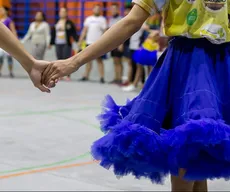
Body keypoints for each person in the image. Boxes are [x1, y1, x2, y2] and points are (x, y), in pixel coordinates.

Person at [42, 0, 230, 191]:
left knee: (197, 155)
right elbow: (131, 21)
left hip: (221, 64)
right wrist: (75, 61)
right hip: (189, 64)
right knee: (190, 148)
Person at [0, 22, 54, 92]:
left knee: (39, 57)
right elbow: (29, 34)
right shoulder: (32, 24)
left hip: (41, 43)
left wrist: (31, 64)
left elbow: (47, 35)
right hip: (34, 42)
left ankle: (12, 71)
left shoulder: (45, 25)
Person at [78, 4, 107, 84]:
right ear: (93, 10)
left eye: (98, 9)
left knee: (99, 60)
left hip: (98, 43)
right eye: (95, 9)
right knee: (87, 60)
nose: (97, 10)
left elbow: (105, 32)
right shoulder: (88, 19)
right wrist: (80, 41)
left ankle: (102, 77)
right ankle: (86, 76)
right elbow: (84, 31)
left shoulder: (102, 20)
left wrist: (105, 42)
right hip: (88, 42)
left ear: (100, 10)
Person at [50, 7, 78, 81]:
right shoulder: (57, 22)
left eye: (64, 12)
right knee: (59, 58)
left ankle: (68, 75)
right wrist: (51, 42)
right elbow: (53, 33)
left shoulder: (69, 23)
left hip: (66, 43)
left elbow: (73, 32)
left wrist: (77, 40)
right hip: (58, 43)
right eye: (61, 12)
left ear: (66, 13)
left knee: (67, 59)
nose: (62, 13)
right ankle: (60, 75)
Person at [108, 3, 123, 84]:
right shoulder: (111, 19)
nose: (113, 10)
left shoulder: (121, 19)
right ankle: (116, 78)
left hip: (118, 43)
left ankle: (120, 78)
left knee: (118, 61)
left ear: (118, 10)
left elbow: (123, 33)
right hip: (112, 44)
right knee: (114, 61)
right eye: (112, 9)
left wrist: (121, 44)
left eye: (114, 9)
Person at [0, 6, 17, 78]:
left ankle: (10, 72)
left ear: (6, 11)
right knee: (0, 58)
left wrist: (15, 42)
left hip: (7, 42)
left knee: (9, 58)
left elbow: (13, 31)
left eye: (2, 10)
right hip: (1, 43)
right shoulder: (0, 20)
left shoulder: (9, 20)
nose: (0, 11)